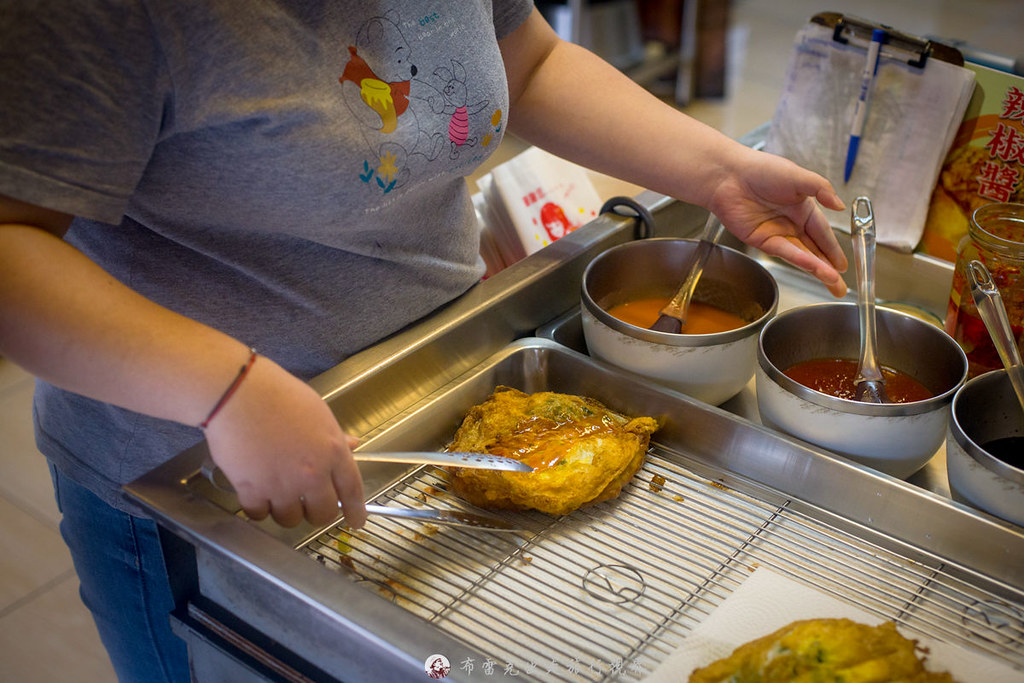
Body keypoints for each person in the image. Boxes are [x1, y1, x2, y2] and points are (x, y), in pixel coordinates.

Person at [0, 2, 847, 680]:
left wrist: (721, 171)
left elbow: (530, 63)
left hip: (430, 399)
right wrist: (225, 387)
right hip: (198, 475)